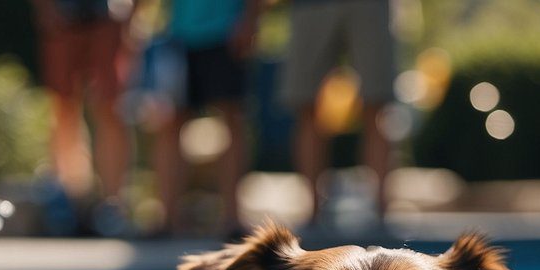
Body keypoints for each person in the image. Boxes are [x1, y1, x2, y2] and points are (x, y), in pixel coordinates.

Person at [281, 0, 396, 228]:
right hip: (310, 6)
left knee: (376, 103)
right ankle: (311, 212)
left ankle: (383, 212)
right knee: (306, 106)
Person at [153, 0, 262, 237]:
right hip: (177, 35)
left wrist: (250, 19)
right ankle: (167, 219)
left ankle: (232, 219)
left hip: (226, 31)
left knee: (232, 120)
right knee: (170, 122)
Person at [30, 0, 135, 236]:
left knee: (110, 107)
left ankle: (113, 204)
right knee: (63, 107)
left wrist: (132, 14)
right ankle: (71, 198)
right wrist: (45, 9)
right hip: (63, 14)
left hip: (109, 13)